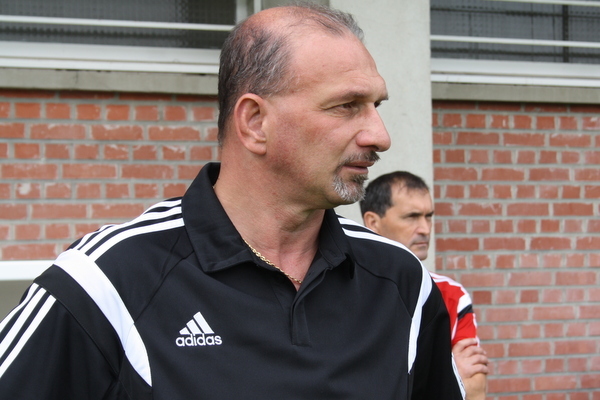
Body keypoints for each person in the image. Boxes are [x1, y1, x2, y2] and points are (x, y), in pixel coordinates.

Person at [0, 4, 464, 399]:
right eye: (346, 106)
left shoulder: (402, 282)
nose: (379, 136)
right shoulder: (105, 284)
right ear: (255, 122)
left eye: (376, 106)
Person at [360, 170, 489, 400]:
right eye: (411, 216)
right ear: (373, 222)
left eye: (428, 216)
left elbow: (476, 390)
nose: (425, 229)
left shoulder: (451, 295)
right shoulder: (343, 287)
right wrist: (448, 372)